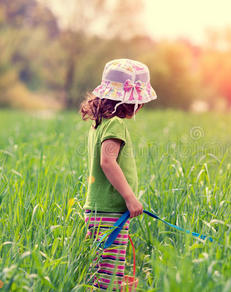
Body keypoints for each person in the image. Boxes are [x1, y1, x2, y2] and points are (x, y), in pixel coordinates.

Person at [80, 58, 157, 290]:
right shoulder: (115, 124)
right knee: (109, 278)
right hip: (110, 213)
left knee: (97, 272)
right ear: (129, 101)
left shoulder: (100, 123)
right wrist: (130, 197)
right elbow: (107, 161)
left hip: (97, 210)